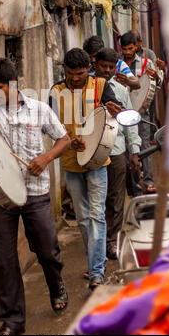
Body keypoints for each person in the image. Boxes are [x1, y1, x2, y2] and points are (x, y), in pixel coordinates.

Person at [0, 58, 71, 336]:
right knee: (4, 259)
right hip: (1, 197)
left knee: (47, 248)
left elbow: (64, 139)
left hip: (36, 192)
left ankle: (55, 280)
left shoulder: (39, 110)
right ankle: (12, 320)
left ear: (13, 84)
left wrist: (45, 158)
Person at [49, 48, 122, 290]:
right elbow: (52, 127)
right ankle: (94, 264)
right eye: (71, 73)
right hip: (71, 163)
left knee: (97, 216)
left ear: (88, 69)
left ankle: (96, 272)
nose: (76, 78)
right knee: (82, 218)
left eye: (80, 73)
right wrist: (71, 141)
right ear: (65, 71)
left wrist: (115, 109)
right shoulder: (56, 92)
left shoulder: (100, 86)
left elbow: (117, 110)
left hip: (98, 160)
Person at [94, 48, 141, 259]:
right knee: (97, 200)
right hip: (93, 152)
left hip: (117, 151)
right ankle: (97, 242)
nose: (107, 70)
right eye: (103, 66)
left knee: (116, 198)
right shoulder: (88, 88)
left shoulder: (121, 91)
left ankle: (112, 242)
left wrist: (135, 151)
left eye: (111, 67)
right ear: (95, 64)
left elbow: (130, 122)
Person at [120, 31, 163, 194]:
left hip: (141, 111)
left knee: (144, 145)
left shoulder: (146, 62)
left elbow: (157, 84)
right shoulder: (117, 63)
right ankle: (134, 185)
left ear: (136, 46)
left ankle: (149, 181)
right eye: (124, 49)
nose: (127, 52)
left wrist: (156, 77)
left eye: (130, 48)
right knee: (128, 147)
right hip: (123, 111)